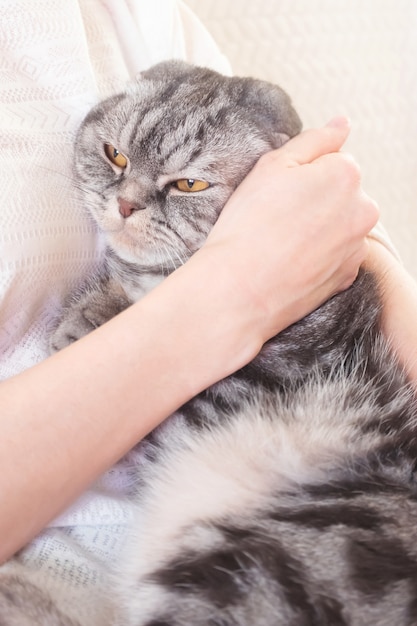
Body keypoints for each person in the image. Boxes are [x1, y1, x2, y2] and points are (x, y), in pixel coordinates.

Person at [0, 0, 416, 622]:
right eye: (115, 159)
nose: (127, 201)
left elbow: (337, 228)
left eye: (186, 186)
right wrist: (230, 291)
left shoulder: (139, 17)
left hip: (335, 488)